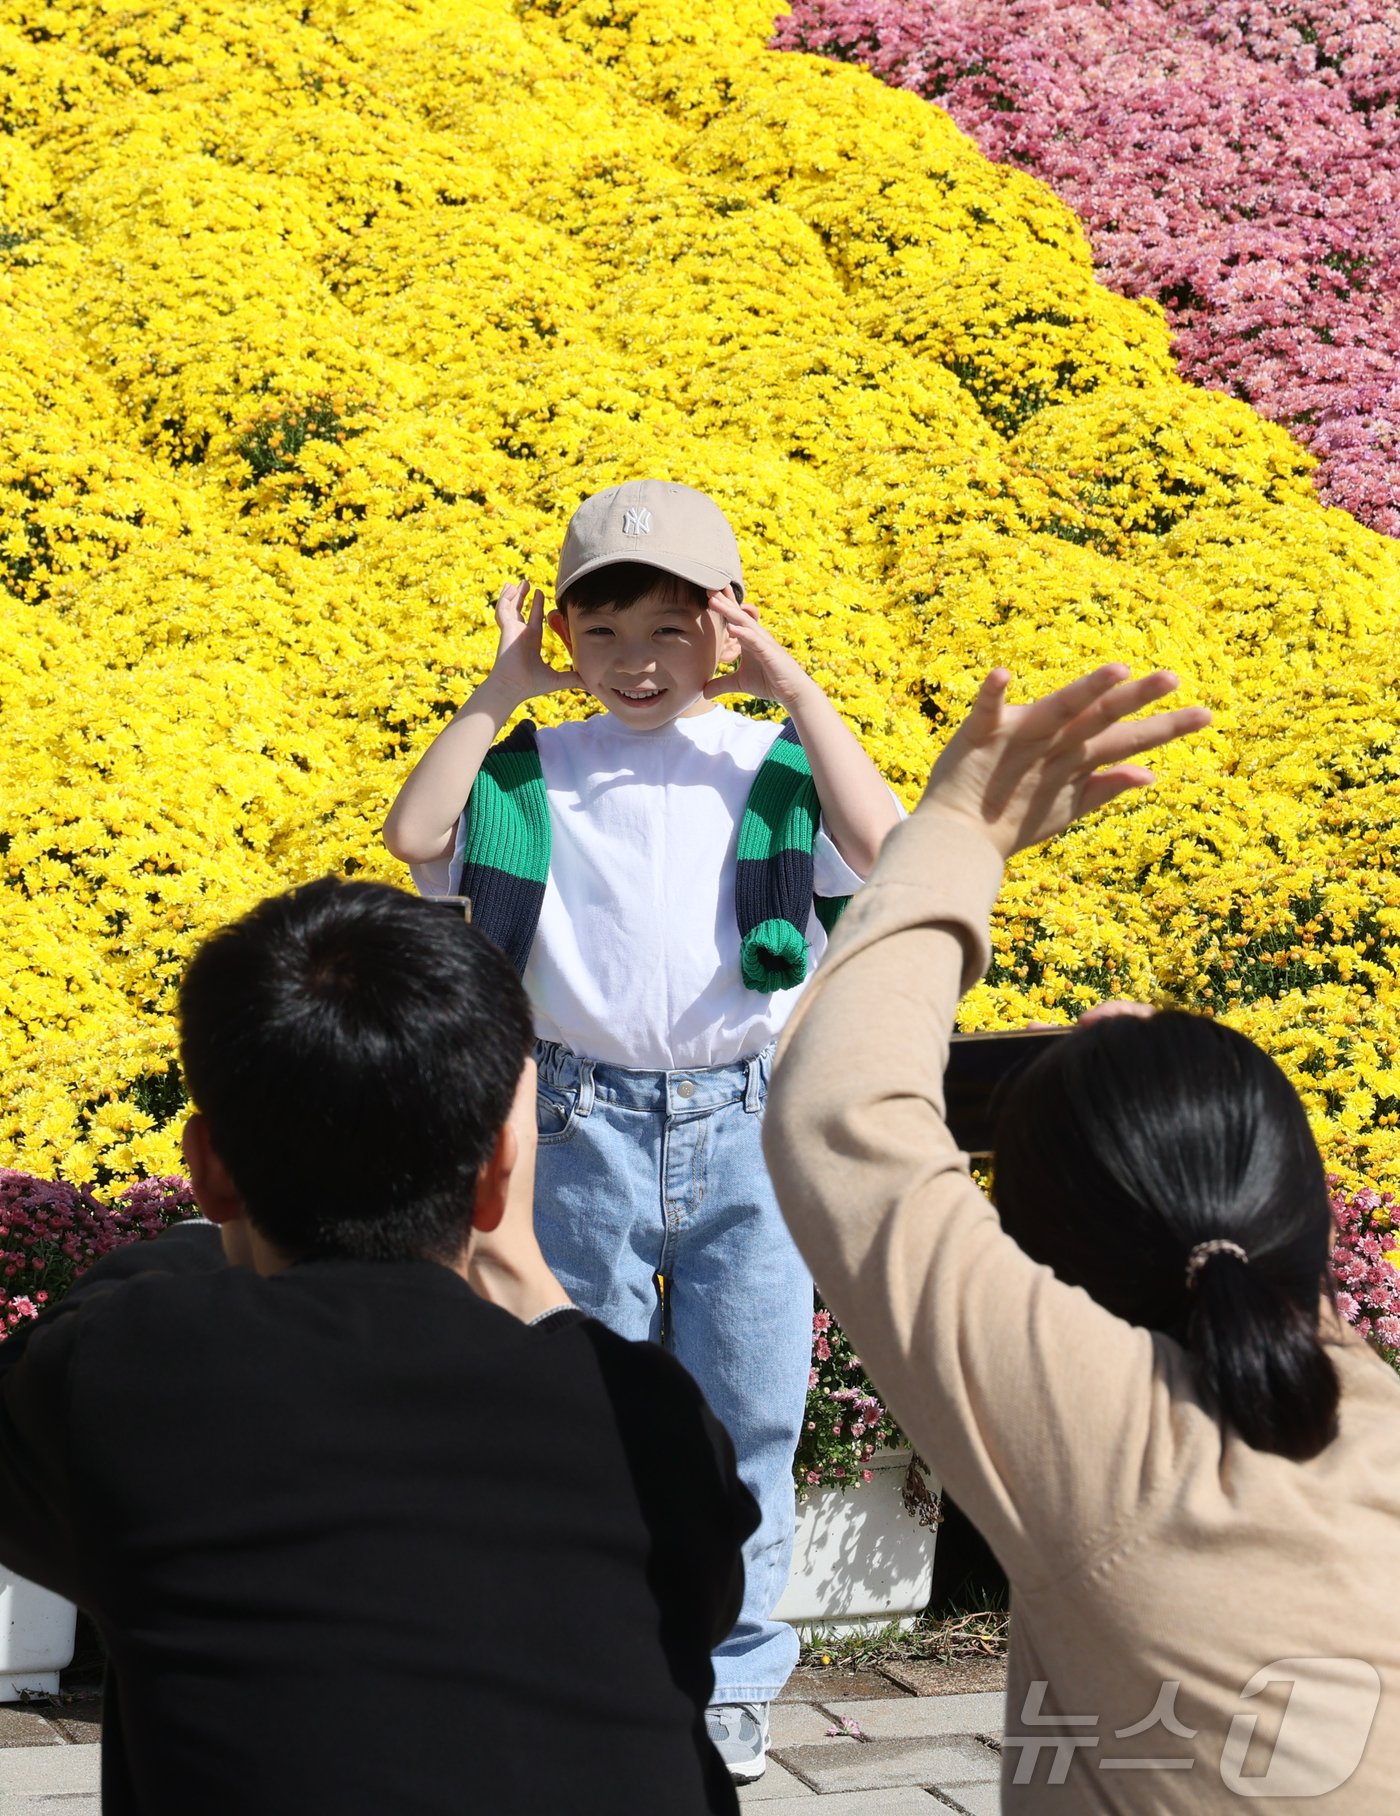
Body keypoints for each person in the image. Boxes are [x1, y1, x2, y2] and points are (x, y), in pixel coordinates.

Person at [764, 663, 1400, 1810]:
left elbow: (834, 1117)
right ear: (1302, 1203)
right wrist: (1138, 1110)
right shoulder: (1368, 1426)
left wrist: (958, 826)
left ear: (1042, 1260)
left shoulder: (1116, 1444)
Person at [0, 878, 757, 1816]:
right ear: (493, 1179)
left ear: (207, 1170)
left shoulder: (130, 1371)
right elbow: (703, 1607)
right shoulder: (649, 1422)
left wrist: (195, 1248)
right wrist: (522, 1264)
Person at [382, 479, 902, 1778]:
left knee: (749, 1411)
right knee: (583, 1406)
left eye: (669, 630)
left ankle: (731, 1677)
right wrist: (502, 689)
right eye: (601, 633)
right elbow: (415, 833)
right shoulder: (532, 765)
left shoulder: (764, 761)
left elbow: (887, 847)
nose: (635, 663)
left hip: (747, 1118)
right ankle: (597, 1652)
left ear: (723, 628)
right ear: (563, 635)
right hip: (579, 1117)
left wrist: (795, 685)